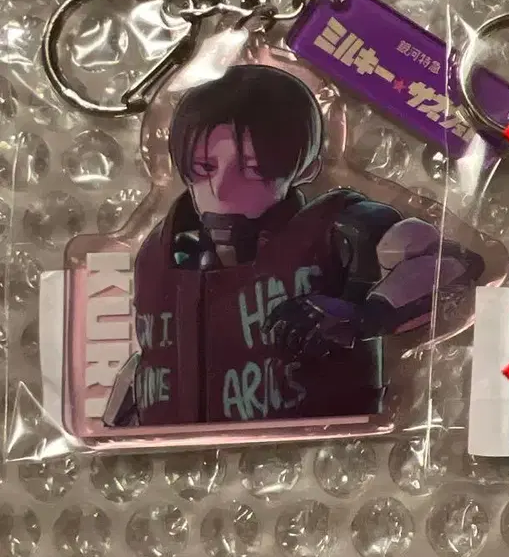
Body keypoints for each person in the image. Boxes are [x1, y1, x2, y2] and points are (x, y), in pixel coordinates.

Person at [104, 64, 484, 427]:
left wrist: (367, 316)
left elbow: (443, 263)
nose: (221, 190)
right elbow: (146, 366)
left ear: (305, 169)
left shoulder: (340, 230)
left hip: (315, 455)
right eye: (204, 167)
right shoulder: (158, 256)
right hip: (176, 457)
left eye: (253, 168)